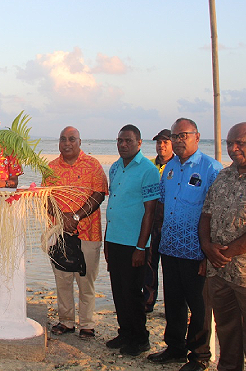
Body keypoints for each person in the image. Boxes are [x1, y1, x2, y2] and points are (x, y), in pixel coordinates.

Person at [148, 119, 221, 371]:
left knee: (200, 307)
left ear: (197, 137)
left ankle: (199, 357)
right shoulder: (169, 169)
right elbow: (162, 207)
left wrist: (207, 254)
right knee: (174, 303)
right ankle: (175, 348)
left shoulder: (211, 169)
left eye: (184, 135)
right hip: (169, 248)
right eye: (175, 136)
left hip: (197, 252)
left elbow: (217, 215)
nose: (179, 140)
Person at [199, 122, 246, 371]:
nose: (233, 149)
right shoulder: (224, 176)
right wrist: (206, 247)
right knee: (227, 329)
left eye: (240, 143)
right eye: (229, 143)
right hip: (219, 271)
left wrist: (227, 252)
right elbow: (206, 215)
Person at [43, 126, 108, 339]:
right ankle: (66, 321)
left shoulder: (93, 165)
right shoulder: (51, 168)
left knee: (86, 281)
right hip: (59, 234)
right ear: (58, 143)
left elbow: (99, 194)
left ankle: (87, 324)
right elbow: (45, 198)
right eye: (63, 139)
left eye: (72, 139)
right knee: (62, 280)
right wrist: (62, 218)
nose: (67, 143)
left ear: (80, 142)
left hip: (88, 234)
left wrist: (76, 216)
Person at [104, 124, 160, 356]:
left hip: (134, 243)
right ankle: (125, 332)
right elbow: (113, 205)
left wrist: (141, 247)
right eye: (120, 141)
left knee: (133, 292)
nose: (123, 145)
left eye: (128, 141)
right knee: (118, 289)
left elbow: (150, 212)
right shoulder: (115, 168)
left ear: (139, 143)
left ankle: (140, 338)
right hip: (115, 239)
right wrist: (107, 242)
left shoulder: (148, 170)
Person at [144, 128, 175, 313]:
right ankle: (148, 302)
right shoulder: (149, 166)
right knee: (149, 263)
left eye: (165, 142)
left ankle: (173, 305)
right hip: (151, 222)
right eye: (159, 142)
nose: (161, 146)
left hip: (171, 224)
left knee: (171, 267)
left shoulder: (178, 166)